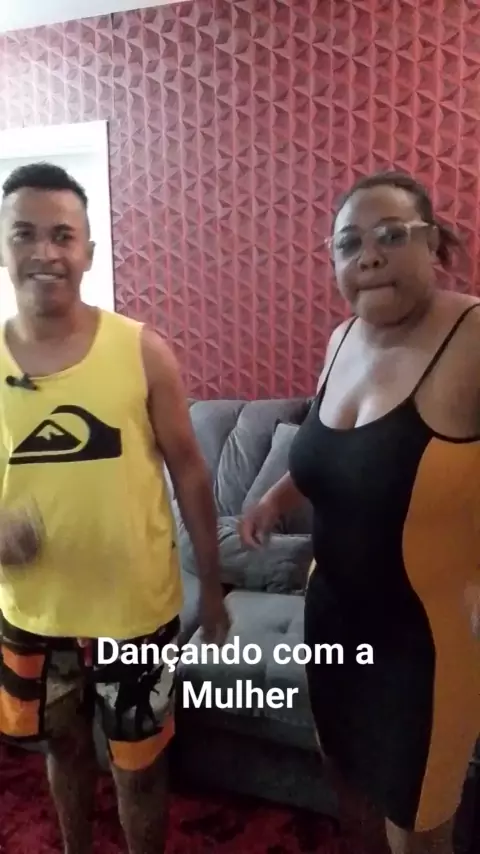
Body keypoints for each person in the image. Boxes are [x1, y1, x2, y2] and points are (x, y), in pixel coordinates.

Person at [239, 171, 480, 854]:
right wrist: (275, 497)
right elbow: (337, 453)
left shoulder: (472, 337)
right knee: (346, 778)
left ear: (434, 245)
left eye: (391, 236)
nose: (368, 256)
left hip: (424, 643)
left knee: (418, 828)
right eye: (349, 244)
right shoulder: (342, 339)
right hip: (333, 617)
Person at [0, 162, 230, 854]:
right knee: (62, 750)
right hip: (33, 613)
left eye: (63, 236)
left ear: (89, 252)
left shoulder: (141, 350)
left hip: (134, 610)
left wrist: (213, 587)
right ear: (5, 247)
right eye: (25, 234)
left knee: (140, 769)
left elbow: (191, 472)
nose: (45, 252)